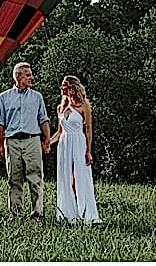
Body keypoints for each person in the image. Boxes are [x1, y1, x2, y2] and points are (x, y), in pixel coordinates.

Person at [0, 62, 51, 219]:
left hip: (32, 139)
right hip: (12, 141)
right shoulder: (3, 98)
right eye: (28, 75)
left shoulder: (37, 97)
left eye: (31, 74)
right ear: (18, 76)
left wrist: (47, 140)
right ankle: (16, 214)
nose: (32, 78)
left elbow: (43, 119)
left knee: (36, 178)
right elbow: (0, 123)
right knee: (14, 179)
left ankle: (37, 214)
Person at [50, 75, 100, 224]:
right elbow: (59, 132)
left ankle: (87, 214)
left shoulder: (84, 106)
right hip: (64, 144)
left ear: (71, 87)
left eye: (63, 86)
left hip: (79, 142)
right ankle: (68, 214)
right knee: (65, 178)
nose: (61, 88)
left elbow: (89, 130)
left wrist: (88, 151)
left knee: (79, 177)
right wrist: (47, 143)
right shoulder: (61, 107)